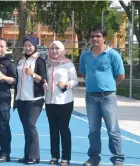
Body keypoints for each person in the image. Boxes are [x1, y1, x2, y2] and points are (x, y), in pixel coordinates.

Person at [80, 25, 125, 166]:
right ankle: (94, 158)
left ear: (104, 37)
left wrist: (108, 87)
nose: (94, 38)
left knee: (112, 129)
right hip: (91, 97)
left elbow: (120, 76)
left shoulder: (113, 55)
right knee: (93, 130)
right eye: (92, 36)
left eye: (98, 36)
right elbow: (83, 73)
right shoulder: (84, 55)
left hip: (108, 97)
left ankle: (118, 159)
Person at [14, 35, 47, 165]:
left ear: (35, 46)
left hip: (35, 99)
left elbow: (44, 79)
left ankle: (34, 156)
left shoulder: (39, 61)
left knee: (30, 126)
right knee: (26, 128)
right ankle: (27, 155)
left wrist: (32, 74)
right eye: (26, 45)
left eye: (30, 45)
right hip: (21, 98)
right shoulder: (21, 60)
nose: (28, 47)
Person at [44, 41, 78, 166]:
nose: (54, 51)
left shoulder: (68, 64)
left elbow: (74, 81)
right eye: (52, 48)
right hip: (49, 101)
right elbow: (43, 79)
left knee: (63, 129)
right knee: (53, 129)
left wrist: (66, 84)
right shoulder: (47, 64)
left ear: (62, 50)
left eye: (57, 48)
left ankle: (66, 157)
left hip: (65, 102)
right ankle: (54, 155)